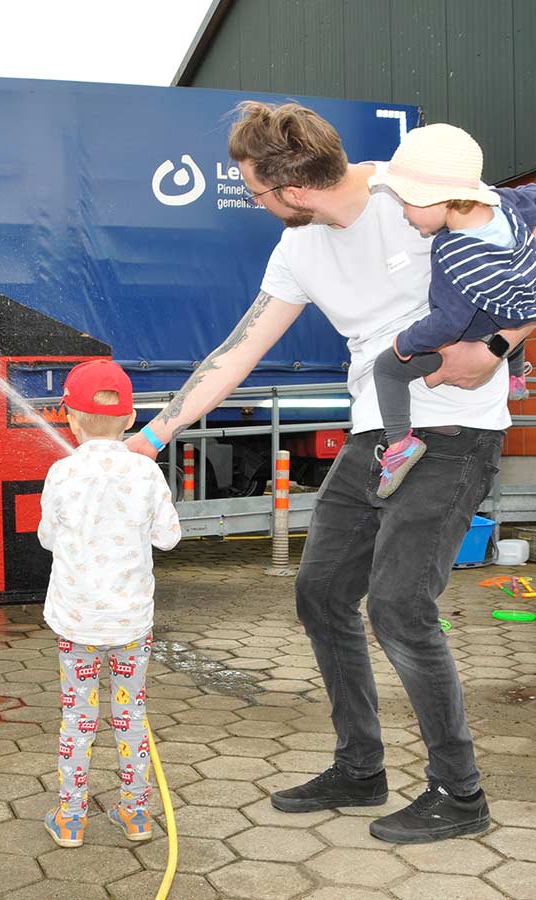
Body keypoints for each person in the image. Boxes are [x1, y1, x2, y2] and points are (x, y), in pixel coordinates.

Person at [127, 102, 534, 844]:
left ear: (293, 185)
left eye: (255, 191)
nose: (254, 204)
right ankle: (360, 767)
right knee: (321, 595)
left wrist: (502, 344)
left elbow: (526, 249)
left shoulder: (412, 188)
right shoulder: (298, 251)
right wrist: (152, 434)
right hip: (372, 434)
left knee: (401, 605)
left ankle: (460, 791)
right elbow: (239, 350)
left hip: (457, 432)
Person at [39, 358, 181, 849]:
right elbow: (168, 539)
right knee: (131, 715)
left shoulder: (61, 472)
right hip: (130, 626)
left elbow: (47, 539)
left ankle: (71, 818)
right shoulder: (145, 472)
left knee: (77, 718)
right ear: (130, 418)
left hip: (76, 624)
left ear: (70, 419)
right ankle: (137, 813)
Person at [370, 123, 536, 498]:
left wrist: (405, 343)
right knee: (512, 308)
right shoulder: (506, 205)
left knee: (386, 369)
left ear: (437, 198)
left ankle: (399, 445)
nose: (405, 215)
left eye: (407, 202)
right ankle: (515, 376)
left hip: (479, 329)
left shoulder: (454, 254)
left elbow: (450, 321)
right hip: (523, 306)